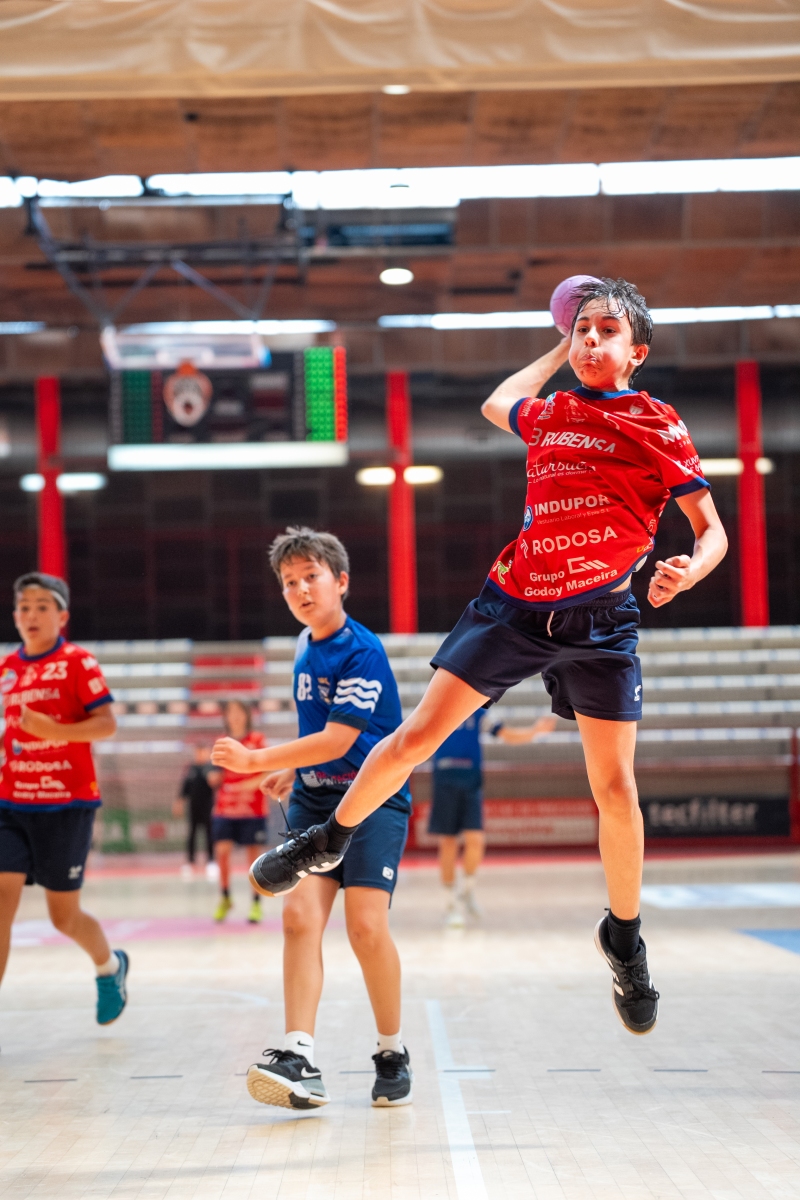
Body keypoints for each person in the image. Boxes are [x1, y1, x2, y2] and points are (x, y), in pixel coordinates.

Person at [249, 277, 729, 1038]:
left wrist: (689, 571)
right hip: (513, 606)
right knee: (412, 738)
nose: (591, 341)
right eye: (583, 330)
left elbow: (712, 531)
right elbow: (497, 400)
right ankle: (326, 838)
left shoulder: (657, 423)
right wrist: (561, 344)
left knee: (615, 789)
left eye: (607, 331)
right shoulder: (552, 413)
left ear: (637, 352)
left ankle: (625, 938)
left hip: (602, 620)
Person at [211, 527, 413, 1110]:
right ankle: (299, 1056)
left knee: (365, 928)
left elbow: (340, 737)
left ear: (341, 581)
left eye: (311, 577)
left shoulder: (362, 650)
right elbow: (318, 736)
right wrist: (294, 771)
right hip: (315, 798)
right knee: (298, 917)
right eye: (289, 582)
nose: (301, 589)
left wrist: (255, 760)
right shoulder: (304, 642)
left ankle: (392, 1051)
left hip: (372, 800)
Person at [0, 572, 129, 1026]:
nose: (31, 615)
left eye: (42, 606)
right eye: (24, 607)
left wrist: (52, 730)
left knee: (63, 917)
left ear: (62, 616)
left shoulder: (78, 662)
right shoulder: (7, 669)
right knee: (1, 904)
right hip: (10, 803)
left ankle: (109, 967)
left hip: (66, 806)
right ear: (15, 616)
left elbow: (106, 724)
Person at [432, 713, 557, 927]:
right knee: (447, 842)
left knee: (476, 840)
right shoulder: (438, 708)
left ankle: (467, 892)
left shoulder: (478, 711)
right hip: (445, 779)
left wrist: (535, 731)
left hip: (471, 782)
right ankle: (449, 903)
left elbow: (505, 734)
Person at [211, 701, 267, 924]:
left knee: (253, 858)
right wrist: (213, 777)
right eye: (230, 711)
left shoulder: (257, 740)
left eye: (238, 711)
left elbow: (267, 772)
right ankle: (225, 897)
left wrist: (245, 786)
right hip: (225, 808)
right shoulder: (222, 742)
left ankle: (256, 902)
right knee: (222, 850)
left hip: (252, 809)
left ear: (246, 715)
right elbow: (217, 773)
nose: (234, 715)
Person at [173, 744, 218, 880]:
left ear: (207, 752)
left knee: (209, 834)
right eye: (198, 751)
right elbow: (184, 787)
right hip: (193, 807)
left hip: (208, 807)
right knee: (192, 834)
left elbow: (217, 786)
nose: (200, 754)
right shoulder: (190, 768)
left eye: (203, 751)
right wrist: (179, 803)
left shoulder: (212, 768)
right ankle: (190, 862)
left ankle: (211, 861)